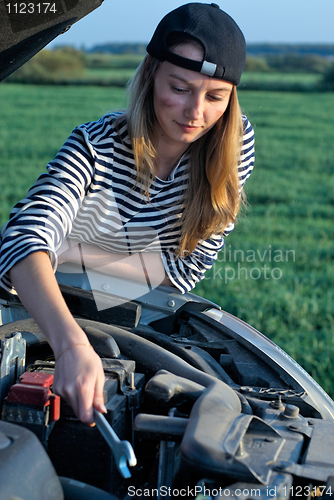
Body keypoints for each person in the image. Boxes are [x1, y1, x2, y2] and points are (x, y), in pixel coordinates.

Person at [0, 3, 254, 425]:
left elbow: (183, 271)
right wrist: (70, 346)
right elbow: (23, 242)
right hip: (31, 313)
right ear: (151, 73)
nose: (196, 113)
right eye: (180, 87)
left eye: (215, 97)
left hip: (139, 321)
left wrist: (68, 256)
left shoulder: (235, 142)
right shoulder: (95, 145)